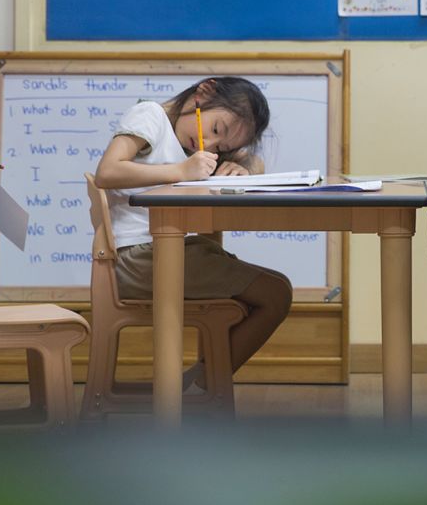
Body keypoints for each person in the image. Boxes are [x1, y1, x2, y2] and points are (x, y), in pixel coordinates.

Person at [94, 77, 292, 391]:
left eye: (222, 147)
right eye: (215, 130)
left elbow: (254, 161)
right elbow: (107, 171)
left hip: (163, 252)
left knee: (277, 288)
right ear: (204, 92)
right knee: (276, 294)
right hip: (136, 260)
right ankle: (204, 387)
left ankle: (202, 382)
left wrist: (246, 168)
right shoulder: (151, 116)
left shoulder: (193, 148)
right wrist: (180, 171)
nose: (207, 146)